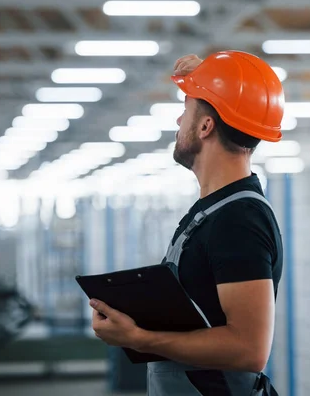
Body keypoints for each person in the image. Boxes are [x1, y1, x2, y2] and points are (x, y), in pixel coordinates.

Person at [89, 50, 285, 395]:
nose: (179, 122)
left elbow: (248, 349)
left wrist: (140, 338)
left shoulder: (238, 220)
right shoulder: (215, 209)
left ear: (206, 126)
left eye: (186, 112)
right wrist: (209, 82)